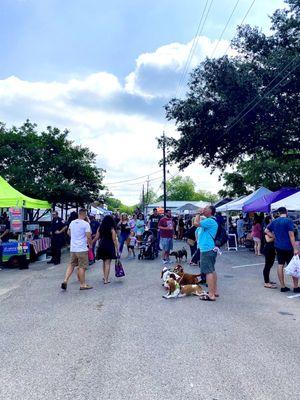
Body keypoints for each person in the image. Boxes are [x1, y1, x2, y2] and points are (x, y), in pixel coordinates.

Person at [265, 207, 300, 293]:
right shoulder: (288, 221)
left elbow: (266, 230)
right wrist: (295, 248)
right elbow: (291, 235)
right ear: (286, 212)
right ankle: (296, 287)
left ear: (279, 213)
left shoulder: (275, 221)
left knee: (280, 264)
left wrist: (274, 237)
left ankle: (283, 286)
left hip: (278, 246)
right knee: (294, 266)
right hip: (288, 247)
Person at [61, 209, 93, 291]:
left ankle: (65, 280)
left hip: (73, 248)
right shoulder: (86, 224)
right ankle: (83, 284)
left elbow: (68, 232)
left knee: (71, 264)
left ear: (79, 214)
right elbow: (88, 236)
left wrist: (74, 238)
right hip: (82, 248)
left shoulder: (72, 222)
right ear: (85, 215)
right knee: (82, 267)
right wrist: (90, 245)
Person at [194, 205, 218, 301]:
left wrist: (198, 213)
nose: (204, 209)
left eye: (206, 209)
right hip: (210, 248)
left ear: (210, 211)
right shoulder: (210, 221)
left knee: (208, 272)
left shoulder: (210, 221)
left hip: (207, 249)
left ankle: (211, 295)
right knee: (211, 270)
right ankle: (214, 291)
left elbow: (196, 223)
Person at [95, 215, 118, 284]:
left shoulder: (100, 227)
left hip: (101, 245)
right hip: (109, 246)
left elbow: (97, 236)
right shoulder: (112, 229)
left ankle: (104, 276)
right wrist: (117, 248)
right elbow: (114, 240)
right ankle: (106, 279)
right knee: (108, 263)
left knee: (104, 261)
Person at [262, 216, 277, 289]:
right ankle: (266, 283)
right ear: (269, 220)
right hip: (268, 249)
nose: (274, 219)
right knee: (267, 265)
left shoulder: (271, 229)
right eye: (272, 218)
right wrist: (275, 237)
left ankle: (268, 280)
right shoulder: (266, 229)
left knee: (270, 265)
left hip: (272, 249)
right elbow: (267, 240)